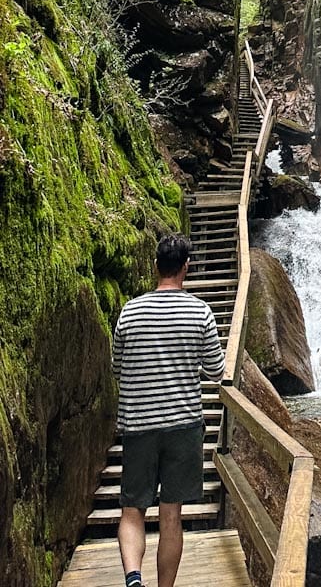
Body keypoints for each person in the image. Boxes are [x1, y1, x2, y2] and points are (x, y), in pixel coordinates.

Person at [112, 233, 225, 587]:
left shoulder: (129, 311)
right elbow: (216, 370)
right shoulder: (200, 312)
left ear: (155, 266)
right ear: (186, 268)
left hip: (139, 422)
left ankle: (133, 578)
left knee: (132, 509)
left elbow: (118, 366)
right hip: (182, 425)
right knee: (170, 515)